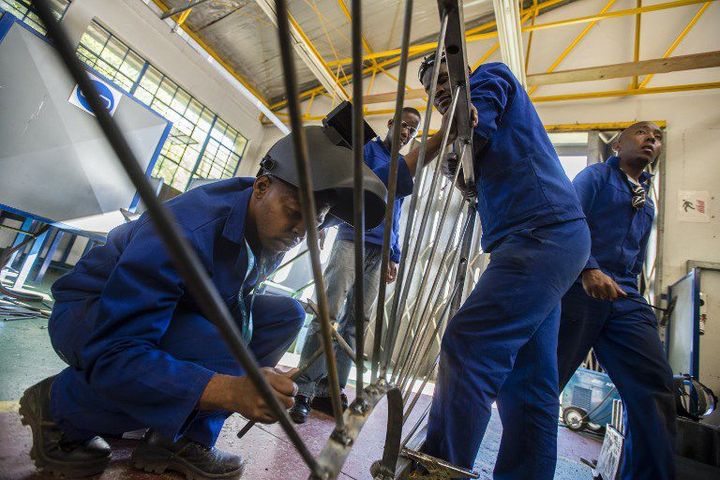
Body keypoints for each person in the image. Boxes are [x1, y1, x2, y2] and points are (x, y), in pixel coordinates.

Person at [18, 126, 387, 480]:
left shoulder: (265, 221)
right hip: (93, 312)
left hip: (170, 306)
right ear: (261, 187)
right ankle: (59, 408)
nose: (301, 232)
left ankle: (177, 438)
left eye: (315, 223)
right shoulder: (184, 231)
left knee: (284, 316)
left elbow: (234, 301)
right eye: (295, 213)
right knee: (226, 351)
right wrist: (228, 388)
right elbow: (116, 351)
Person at [416, 53, 590, 479]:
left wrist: (461, 125)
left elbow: (480, 115)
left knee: (469, 341)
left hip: (540, 234)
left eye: (444, 79)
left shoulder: (489, 77)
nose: (439, 91)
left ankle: (438, 468)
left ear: (462, 71)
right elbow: (470, 168)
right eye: (430, 88)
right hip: (551, 239)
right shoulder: (471, 128)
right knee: (529, 384)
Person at [289, 108, 426, 423]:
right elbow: (354, 183)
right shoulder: (368, 150)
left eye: (413, 130)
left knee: (356, 324)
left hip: (380, 251)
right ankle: (305, 390)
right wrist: (324, 222)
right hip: (351, 239)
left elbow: (397, 214)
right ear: (391, 124)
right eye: (403, 125)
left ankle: (329, 391)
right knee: (328, 313)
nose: (406, 132)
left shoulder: (405, 169)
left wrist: (394, 254)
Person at [557, 121, 676, 480]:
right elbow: (569, 219)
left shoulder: (648, 204)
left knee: (655, 385)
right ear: (616, 146)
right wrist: (588, 269)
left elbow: (636, 258)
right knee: (547, 379)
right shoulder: (595, 178)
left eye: (657, 138)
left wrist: (630, 291)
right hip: (580, 287)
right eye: (642, 133)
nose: (651, 140)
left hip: (624, 296)